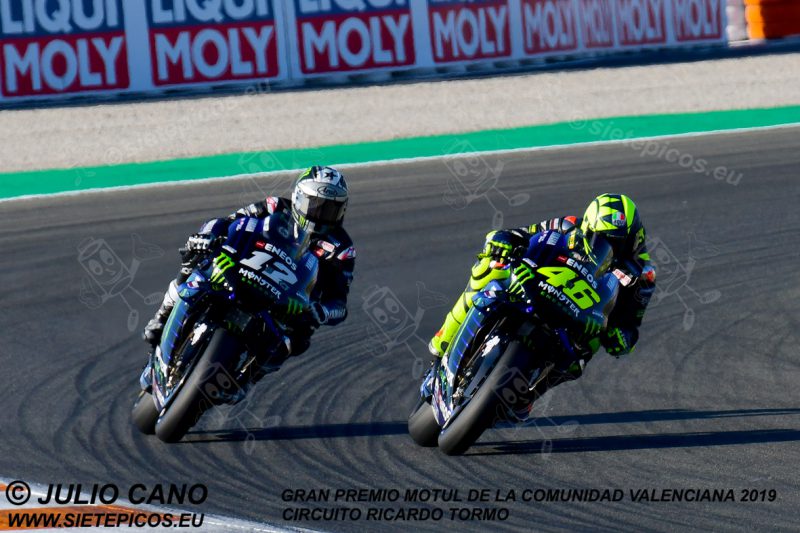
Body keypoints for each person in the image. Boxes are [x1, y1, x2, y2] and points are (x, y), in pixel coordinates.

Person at [427, 193, 656, 401]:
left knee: (581, 358)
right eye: (599, 237)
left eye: (617, 241)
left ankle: (529, 395)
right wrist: (502, 241)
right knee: (490, 267)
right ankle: (443, 339)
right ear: (587, 228)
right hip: (536, 284)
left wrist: (620, 338)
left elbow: (631, 327)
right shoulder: (568, 225)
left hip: (582, 318)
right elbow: (523, 234)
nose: (609, 246)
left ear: (634, 238)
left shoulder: (643, 275)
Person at [143, 166, 355, 363]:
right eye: (316, 205)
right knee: (195, 262)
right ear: (299, 198)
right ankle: (161, 317)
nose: (322, 214)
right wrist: (207, 236)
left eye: (331, 209)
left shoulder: (341, 248)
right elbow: (230, 221)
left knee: (297, 342)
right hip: (244, 269)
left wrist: (321, 312)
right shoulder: (275, 207)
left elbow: (339, 304)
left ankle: (247, 376)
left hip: (289, 303)